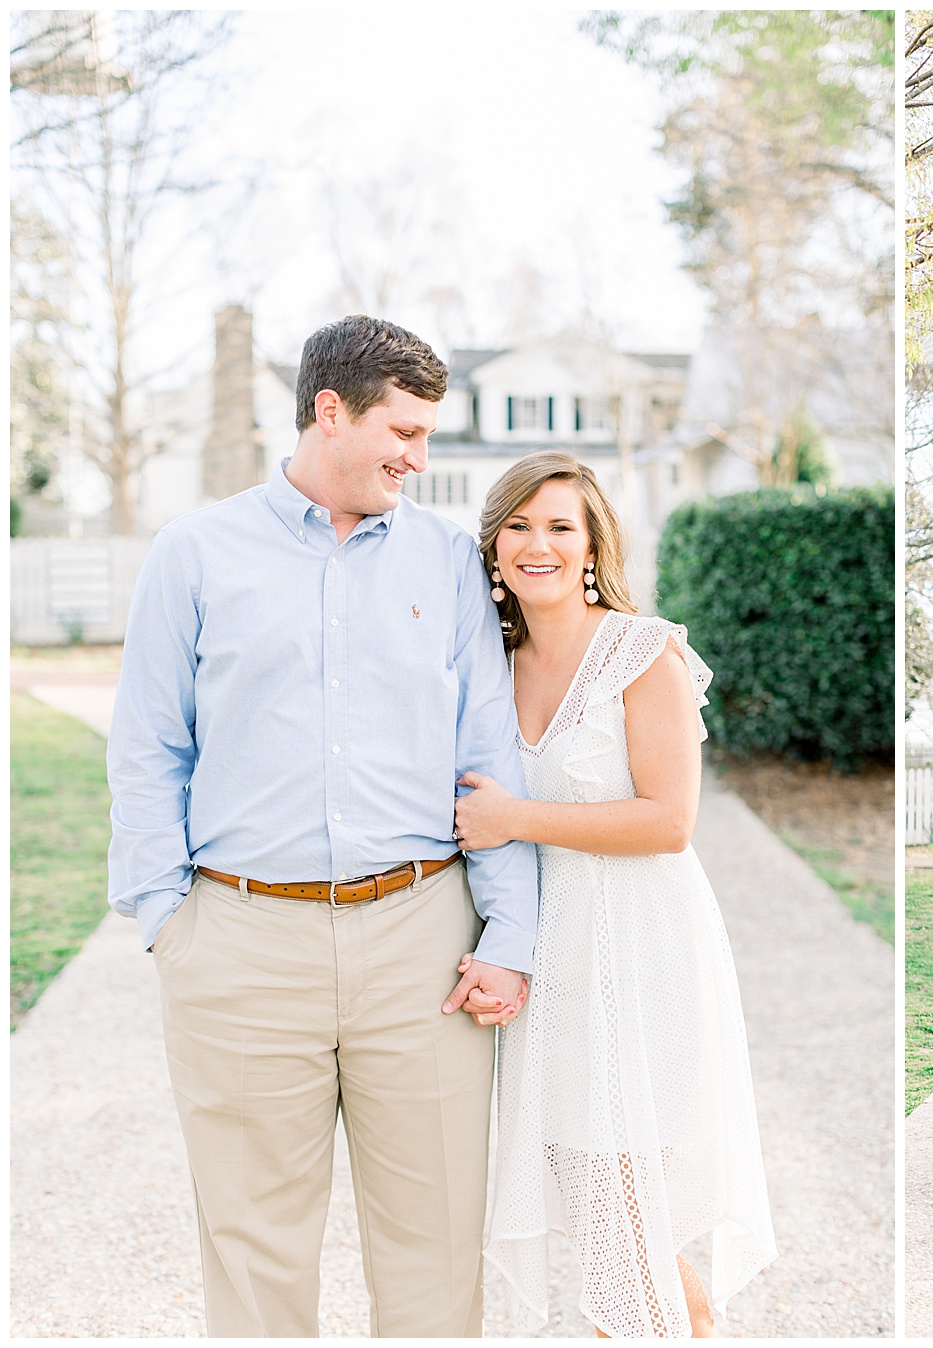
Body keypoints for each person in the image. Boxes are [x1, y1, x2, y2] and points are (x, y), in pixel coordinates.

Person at [107, 315, 537, 1337]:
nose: (419, 458)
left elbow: (489, 752)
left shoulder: (448, 561)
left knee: (438, 1253)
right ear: (330, 410)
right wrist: (170, 921)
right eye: (405, 432)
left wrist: (510, 934)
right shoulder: (194, 553)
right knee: (254, 1260)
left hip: (424, 946)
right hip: (241, 946)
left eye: (428, 436)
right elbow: (148, 745)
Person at [453, 451, 777, 1337]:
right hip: (553, 962)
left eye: (561, 526)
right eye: (519, 526)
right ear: (493, 546)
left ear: (593, 545)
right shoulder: (490, 663)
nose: (539, 544)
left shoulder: (642, 652)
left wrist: (514, 818)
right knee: (618, 1219)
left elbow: (670, 820)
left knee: (620, 1216)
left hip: (640, 951)